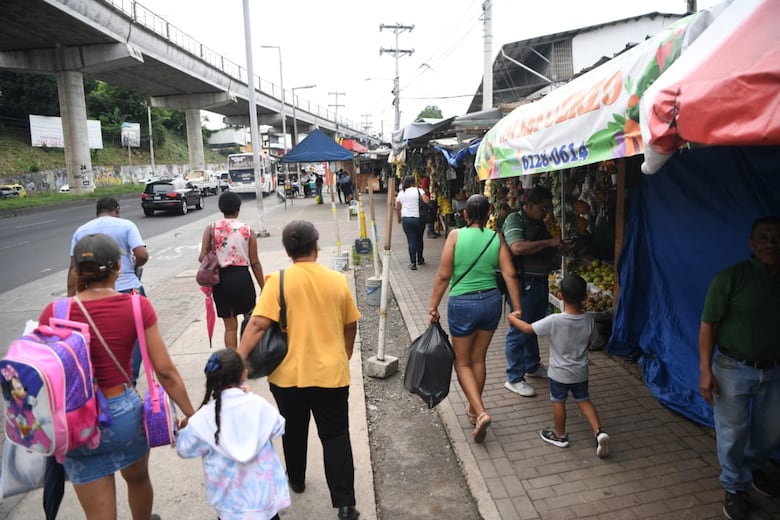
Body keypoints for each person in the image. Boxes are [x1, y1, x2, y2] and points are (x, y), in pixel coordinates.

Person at [39, 233, 196, 520]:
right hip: (123, 413)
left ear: (75, 269)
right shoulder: (136, 306)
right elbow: (164, 371)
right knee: (137, 479)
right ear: (118, 269)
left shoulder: (55, 311)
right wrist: (191, 413)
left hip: (74, 420)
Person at [238, 220, 362, 520]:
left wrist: (238, 364)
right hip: (331, 375)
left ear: (288, 250)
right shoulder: (336, 281)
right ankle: (345, 504)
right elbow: (351, 324)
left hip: (288, 377)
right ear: (316, 247)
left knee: (293, 430)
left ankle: (296, 478)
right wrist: (343, 354)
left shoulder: (277, 281)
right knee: (335, 435)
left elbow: (257, 324)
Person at [698, 216, 780, 520]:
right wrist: (705, 370)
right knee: (732, 433)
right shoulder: (731, 278)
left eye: (776, 237)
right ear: (751, 243)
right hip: (732, 368)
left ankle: (753, 469)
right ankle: (734, 488)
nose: (771, 243)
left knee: (772, 431)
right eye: (764, 237)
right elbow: (708, 325)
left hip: (775, 370)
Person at [428, 194, 521, 443]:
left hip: (463, 304)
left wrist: (433, 307)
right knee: (479, 359)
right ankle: (473, 408)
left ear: (465, 214)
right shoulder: (496, 237)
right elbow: (510, 275)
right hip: (491, 302)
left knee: (462, 362)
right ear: (490, 212)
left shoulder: (455, 236)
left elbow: (443, 275)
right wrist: (517, 308)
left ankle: (480, 412)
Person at [176, 349, 291, 520]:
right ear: (244, 374)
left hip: (229, 506)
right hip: (264, 500)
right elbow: (278, 427)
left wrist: (182, 429)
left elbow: (184, 449)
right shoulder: (257, 405)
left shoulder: (202, 419)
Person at [508, 274, 609, 457]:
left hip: (559, 373)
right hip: (581, 372)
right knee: (584, 400)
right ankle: (599, 431)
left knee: (558, 401)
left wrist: (513, 318)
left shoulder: (554, 320)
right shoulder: (588, 320)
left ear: (560, 296)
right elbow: (593, 342)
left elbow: (529, 329)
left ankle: (560, 435)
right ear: (585, 297)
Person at [68, 197, 148, 383]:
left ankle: (102, 383)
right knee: (134, 341)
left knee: (97, 340)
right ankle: (129, 381)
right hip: (129, 289)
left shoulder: (81, 231)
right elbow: (142, 254)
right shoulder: (126, 225)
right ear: (117, 210)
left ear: (97, 211)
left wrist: (71, 299)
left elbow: (73, 268)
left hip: (90, 296)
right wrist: (136, 264)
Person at [501, 186, 564, 397]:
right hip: (522, 283)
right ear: (529, 205)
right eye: (542, 208)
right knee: (519, 328)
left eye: (547, 208)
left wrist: (557, 249)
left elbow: (541, 249)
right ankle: (514, 377)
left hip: (539, 282)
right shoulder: (514, 220)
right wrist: (548, 242)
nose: (546, 212)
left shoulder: (539, 224)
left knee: (533, 326)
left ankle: (532, 365)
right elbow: (517, 247)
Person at [199, 192, 265, 350]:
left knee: (230, 328)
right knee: (250, 323)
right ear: (238, 209)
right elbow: (254, 262)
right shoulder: (248, 230)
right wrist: (263, 286)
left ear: (221, 208)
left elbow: (202, 257)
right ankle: (247, 360)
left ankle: (233, 366)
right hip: (243, 279)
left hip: (221, 282)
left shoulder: (211, 228)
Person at [395, 175, 430, 270]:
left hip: (406, 219)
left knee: (411, 241)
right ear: (414, 182)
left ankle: (413, 263)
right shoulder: (419, 191)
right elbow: (426, 201)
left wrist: (399, 218)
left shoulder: (402, 193)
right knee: (419, 239)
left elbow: (398, 207)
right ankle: (420, 259)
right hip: (418, 219)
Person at [419, 172, 440, 238]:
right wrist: (430, 190)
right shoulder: (426, 179)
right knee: (430, 215)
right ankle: (430, 231)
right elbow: (423, 189)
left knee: (433, 215)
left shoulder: (434, 180)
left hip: (434, 198)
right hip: (428, 199)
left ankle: (433, 231)